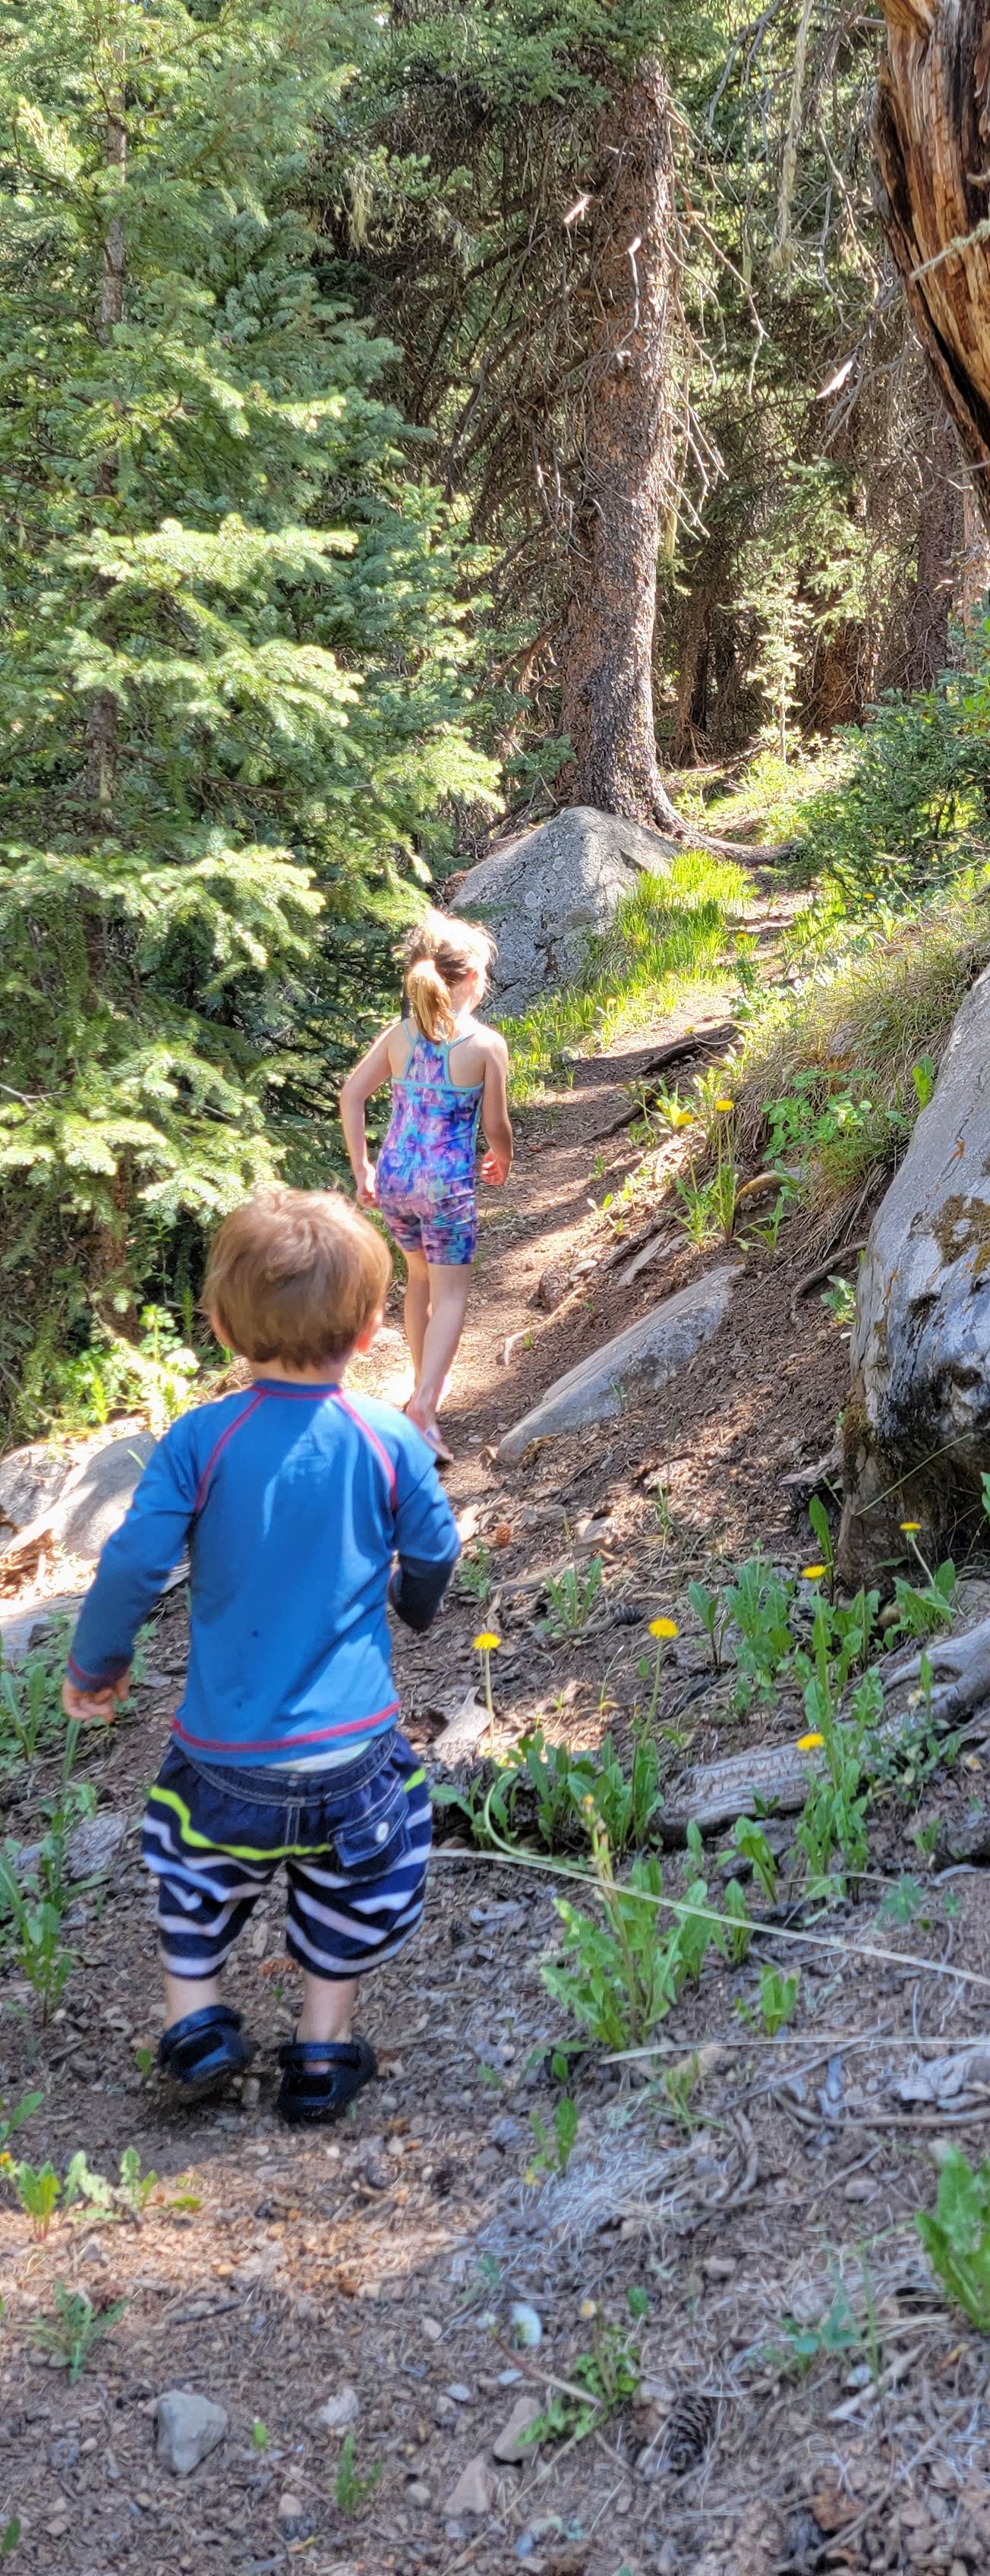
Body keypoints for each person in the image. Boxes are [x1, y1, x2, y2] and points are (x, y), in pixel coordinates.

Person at [61, 1188, 459, 2125]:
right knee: (353, 1885)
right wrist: (414, 1604)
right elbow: (436, 1547)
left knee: (194, 1876)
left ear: (222, 1325)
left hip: (224, 1756)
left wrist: (95, 1664)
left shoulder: (201, 1439)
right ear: (369, 1330)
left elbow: (133, 1559)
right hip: (352, 1755)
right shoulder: (387, 1436)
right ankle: (320, 2056)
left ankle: (195, 2023)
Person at [339, 911, 512, 1460]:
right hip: (446, 1187)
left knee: (419, 1282)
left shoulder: (400, 1036)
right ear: (470, 981)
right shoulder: (484, 1046)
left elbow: (351, 1095)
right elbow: (496, 1127)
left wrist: (361, 1166)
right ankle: (425, 1408)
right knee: (452, 1293)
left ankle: (421, 1386)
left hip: (394, 1179)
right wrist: (502, 1157)